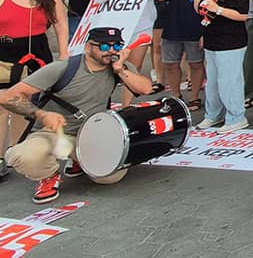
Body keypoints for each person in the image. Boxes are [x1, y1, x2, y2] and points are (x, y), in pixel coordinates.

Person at [1, 27, 153, 203]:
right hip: (54, 132)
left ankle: (79, 160)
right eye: (104, 47)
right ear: (88, 47)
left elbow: (146, 88)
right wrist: (41, 114)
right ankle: (49, 175)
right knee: (23, 156)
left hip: (92, 131)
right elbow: (8, 97)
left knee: (109, 177)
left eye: (117, 46)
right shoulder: (63, 67)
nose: (111, 51)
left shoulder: (118, 65)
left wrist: (119, 69)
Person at [0, 0, 70, 179]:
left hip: (36, 53)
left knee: (25, 105)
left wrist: (64, 56)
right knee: (2, 104)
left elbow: (61, 27)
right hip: (5, 52)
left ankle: (16, 150)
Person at [92, 0, 162, 107]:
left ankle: (126, 106)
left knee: (132, 67)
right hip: (112, 27)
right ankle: (102, 102)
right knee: (105, 67)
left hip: (140, 27)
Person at [190, 0, 251, 133]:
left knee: (229, 82)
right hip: (212, 42)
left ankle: (237, 116)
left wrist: (219, 9)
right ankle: (213, 114)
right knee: (212, 83)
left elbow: (243, 15)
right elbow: (201, 12)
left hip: (230, 43)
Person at [157, 0, 206, 111]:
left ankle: (194, 97)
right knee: (171, 64)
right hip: (172, 27)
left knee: (196, 63)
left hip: (194, 28)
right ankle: (176, 95)